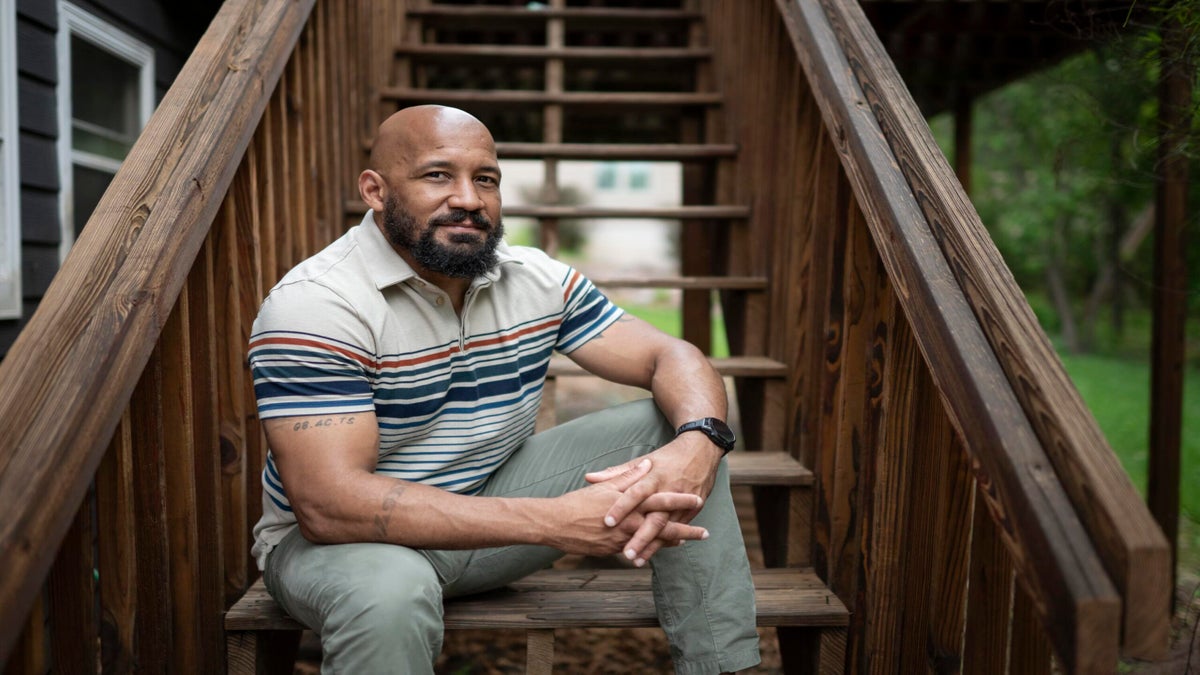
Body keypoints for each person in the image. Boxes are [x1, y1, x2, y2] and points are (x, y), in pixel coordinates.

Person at [247, 104, 760, 674]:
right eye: (437, 175)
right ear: (375, 190)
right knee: (390, 590)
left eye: (485, 178)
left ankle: (725, 667)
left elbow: (672, 356)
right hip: (346, 551)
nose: (468, 198)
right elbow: (328, 506)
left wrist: (701, 442)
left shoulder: (534, 278)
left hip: (485, 516)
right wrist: (555, 521)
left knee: (672, 424)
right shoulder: (318, 303)